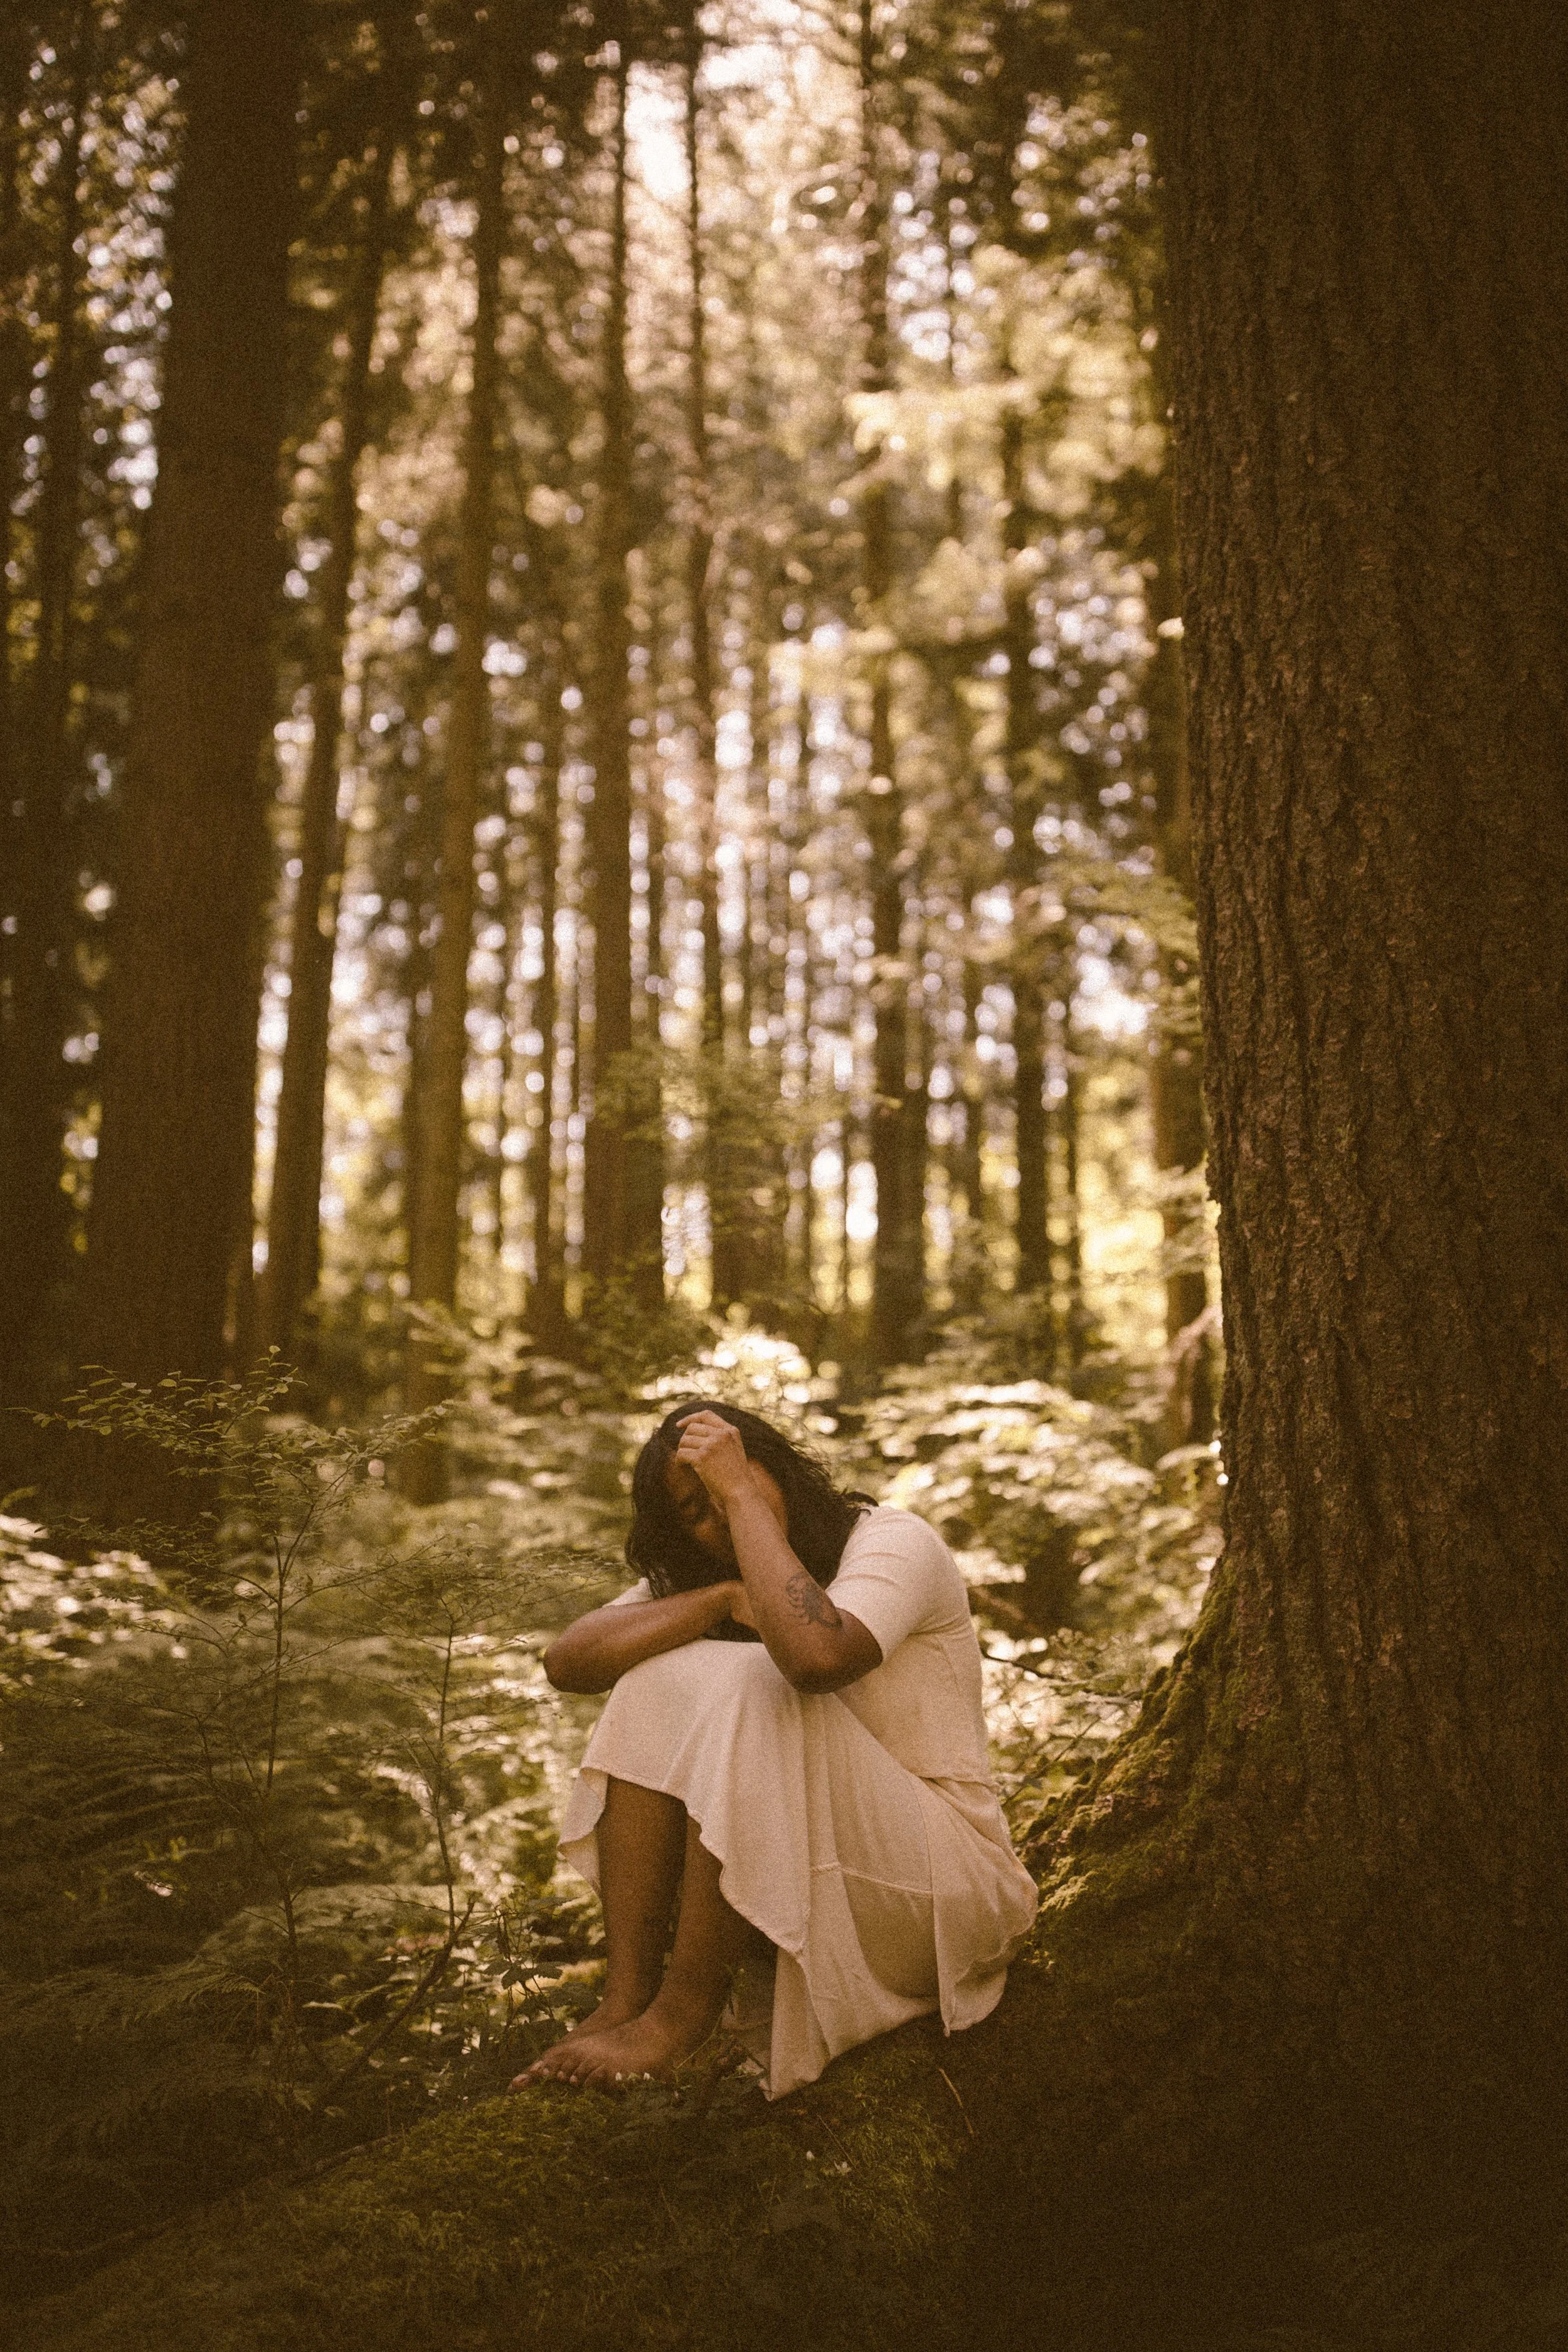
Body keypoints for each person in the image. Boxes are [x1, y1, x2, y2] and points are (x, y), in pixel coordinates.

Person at [513, 1399, 1037, 2098]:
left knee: (755, 1679)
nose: (723, 1516)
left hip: (948, 1890)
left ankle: (680, 2019)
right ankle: (625, 2001)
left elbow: (817, 1657)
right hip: (840, 1881)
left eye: (735, 1479)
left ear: (777, 1466)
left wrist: (734, 1494)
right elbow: (570, 1660)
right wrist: (718, 1599)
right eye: (696, 1511)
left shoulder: (890, 1542)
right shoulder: (712, 1574)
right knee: (649, 1673)